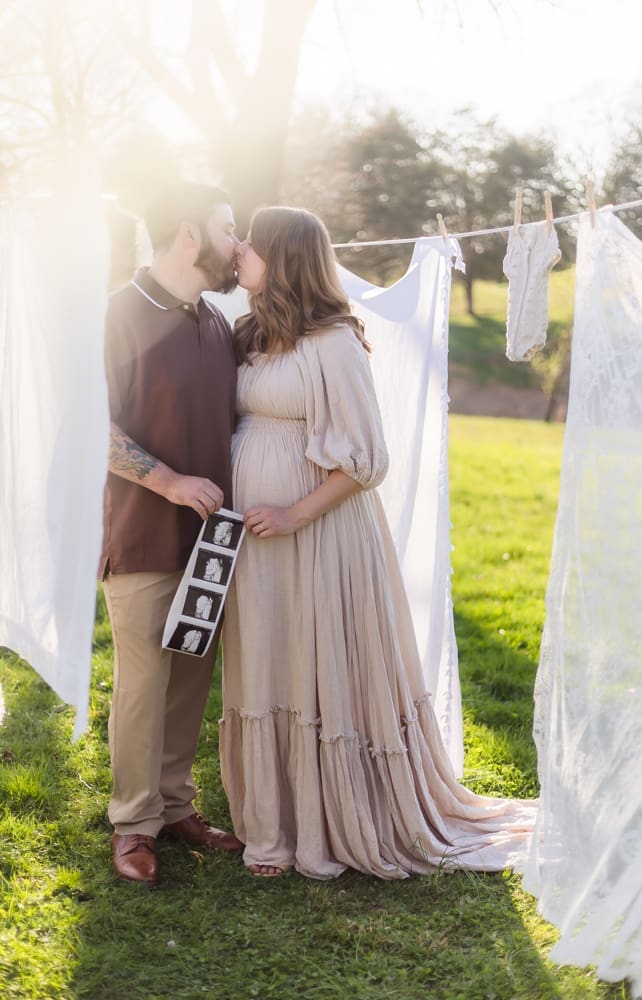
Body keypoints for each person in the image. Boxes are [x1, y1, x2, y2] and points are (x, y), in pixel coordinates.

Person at [221, 206, 537, 878]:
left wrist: (294, 513)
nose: (240, 246)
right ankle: (273, 824)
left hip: (316, 535)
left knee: (315, 662)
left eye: (254, 238)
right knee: (268, 661)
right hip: (257, 541)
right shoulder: (250, 333)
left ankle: (332, 817)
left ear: (285, 258)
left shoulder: (332, 342)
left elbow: (365, 461)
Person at [99, 182, 244, 886]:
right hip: (140, 531)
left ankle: (175, 804)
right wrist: (169, 483)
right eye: (227, 227)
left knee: (190, 674)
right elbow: (91, 428)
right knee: (143, 682)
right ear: (190, 235)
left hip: (211, 543)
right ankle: (133, 823)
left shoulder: (216, 320)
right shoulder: (118, 314)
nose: (236, 241)